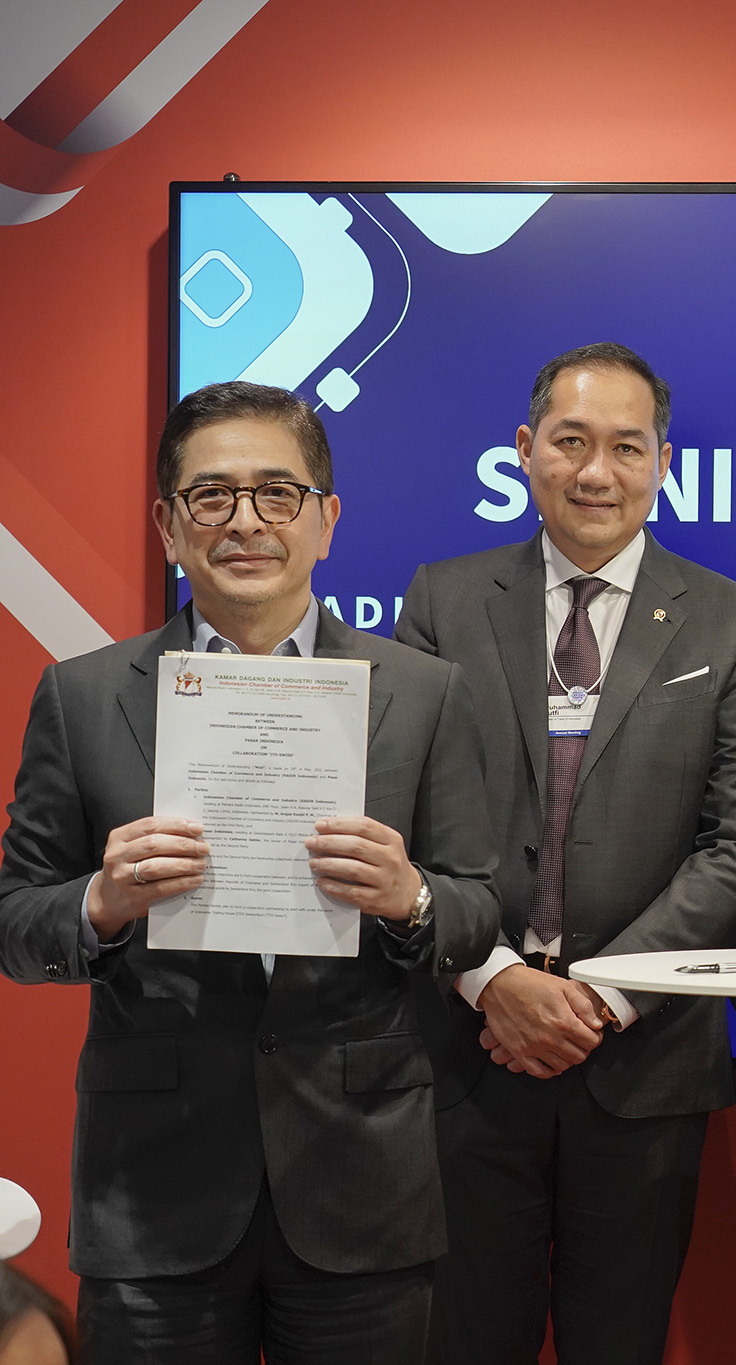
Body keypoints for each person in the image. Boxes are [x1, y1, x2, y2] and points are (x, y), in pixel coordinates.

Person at [0, 381, 498, 1363]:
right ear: (167, 526)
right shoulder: (82, 697)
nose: (245, 521)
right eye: (211, 496)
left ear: (326, 520)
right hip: (154, 1190)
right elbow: (16, 921)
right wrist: (102, 902)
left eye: (277, 493)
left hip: (361, 1181)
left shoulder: (424, 693)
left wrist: (409, 897)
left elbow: (479, 907)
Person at [394, 343, 736, 1363]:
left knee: (621, 1341)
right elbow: (403, 819)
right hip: (470, 1049)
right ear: (526, 450)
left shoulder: (732, 620)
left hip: (644, 1062)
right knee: (466, 1341)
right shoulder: (443, 600)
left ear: (663, 462)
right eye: (570, 442)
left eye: (626, 446)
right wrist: (491, 978)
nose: (596, 472)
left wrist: (600, 996)